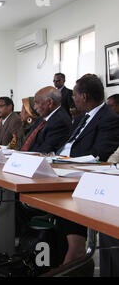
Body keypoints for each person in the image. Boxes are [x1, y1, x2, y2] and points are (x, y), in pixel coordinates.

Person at [55, 75, 119, 271]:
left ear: (84, 96)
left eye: (74, 95)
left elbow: (99, 155)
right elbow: (67, 144)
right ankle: (65, 257)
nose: (72, 99)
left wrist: (65, 162)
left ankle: (75, 255)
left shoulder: (109, 119)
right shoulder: (82, 117)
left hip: (80, 175)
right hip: (61, 167)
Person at [21, 86, 72, 154]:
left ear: (50, 103)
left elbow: (45, 150)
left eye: (37, 103)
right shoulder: (40, 119)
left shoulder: (60, 122)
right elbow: (28, 143)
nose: (35, 107)